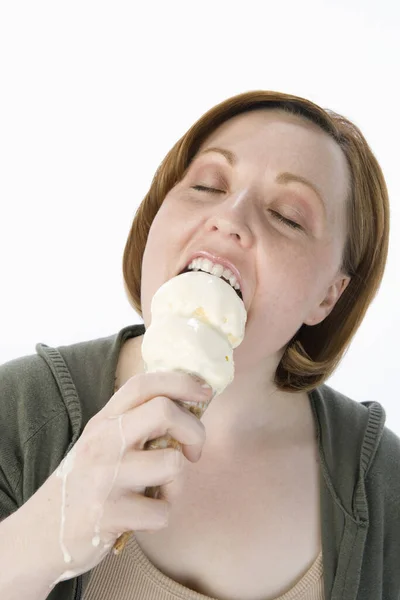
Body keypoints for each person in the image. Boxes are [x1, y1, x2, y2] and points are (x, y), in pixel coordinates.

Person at [0, 90, 398, 600]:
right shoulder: (21, 413)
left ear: (328, 296)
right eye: (208, 185)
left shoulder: (385, 489)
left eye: (288, 217)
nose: (229, 217)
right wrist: (40, 538)